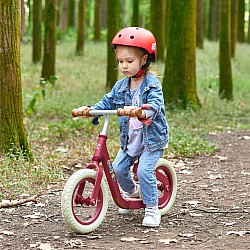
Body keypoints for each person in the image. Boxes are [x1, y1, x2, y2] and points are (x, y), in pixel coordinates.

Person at [76, 27, 169, 227]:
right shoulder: (120, 86)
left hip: (151, 140)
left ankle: (152, 207)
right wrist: (90, 109)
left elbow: (155, 105)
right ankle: (133, 192)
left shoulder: (152, 84)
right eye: (120, 62)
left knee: (144, 170)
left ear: (144, 59)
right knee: (118, 168)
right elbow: (107, 102)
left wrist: (140, 111)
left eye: (129, 61)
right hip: (130, 139)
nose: (124, 66)